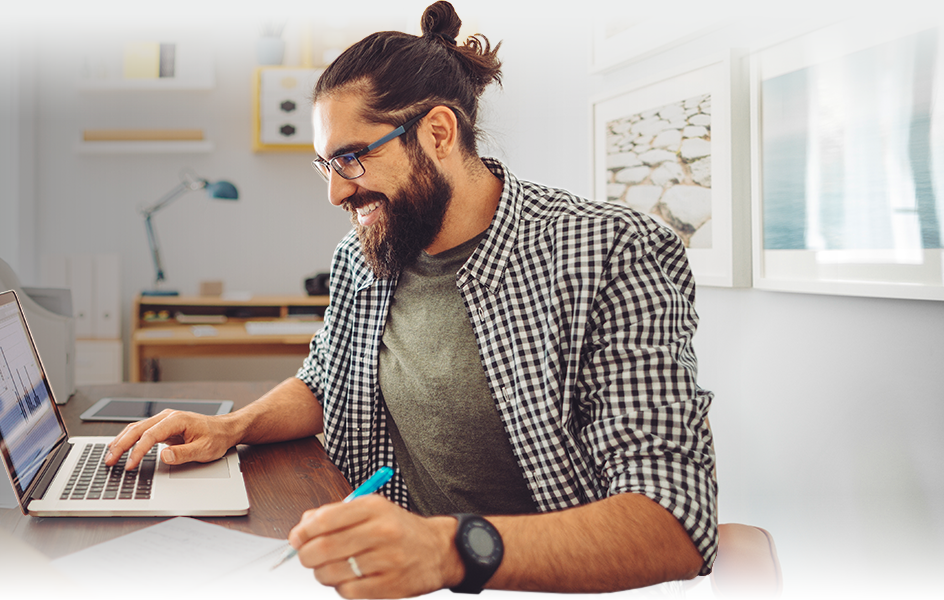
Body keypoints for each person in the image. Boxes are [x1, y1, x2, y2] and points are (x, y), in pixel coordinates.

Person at [102, 2, 716, 597]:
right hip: (384, 573)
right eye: (325, 165)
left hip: (527, 580)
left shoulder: (612, 251)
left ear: (439, 132)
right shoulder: (365, 255)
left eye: (351, 158)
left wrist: (443, 551)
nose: (337, 192)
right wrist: (230, 427)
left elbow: (673, 521)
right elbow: (325, 383)